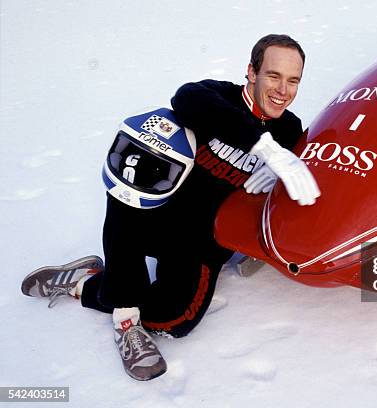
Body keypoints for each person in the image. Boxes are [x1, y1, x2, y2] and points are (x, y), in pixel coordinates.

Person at [21, 34, 320, 381]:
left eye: (293, 80)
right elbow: (187, 98)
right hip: (156, 217)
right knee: (126, 189)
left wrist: (279, 177)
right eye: (273, 75)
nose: (283, 89)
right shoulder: (216, 96)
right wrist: (264, 148)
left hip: (201, 242)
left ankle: (84, 283)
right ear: (251, 73)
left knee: (174, 321)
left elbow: (304, 176)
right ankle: (127, 321)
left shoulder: (290, 130)